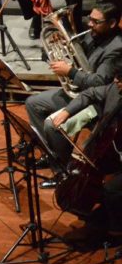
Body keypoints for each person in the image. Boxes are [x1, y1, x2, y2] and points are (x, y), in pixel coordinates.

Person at [28, 3, 122, 160]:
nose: (90, 24)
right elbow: (76, 55)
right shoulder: (93, 34)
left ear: (112, 23)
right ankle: (52, 156)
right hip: (80, 93)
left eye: (96, 22)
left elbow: (99, 82)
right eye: (89, 19)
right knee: (33, 103)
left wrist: (70, 72)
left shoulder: (116, 48)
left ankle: (63, 168)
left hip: (96, 104)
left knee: (52, 125)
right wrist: (55, 48)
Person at [47, 74, 122, 243]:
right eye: (116, 77)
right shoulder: (114, 90)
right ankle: (101, 214)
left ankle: (117, 231)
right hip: (110, 152)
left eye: (121, 79)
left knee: (111, 188)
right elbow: (90, 93)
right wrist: (67, 111)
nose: (116, 81)